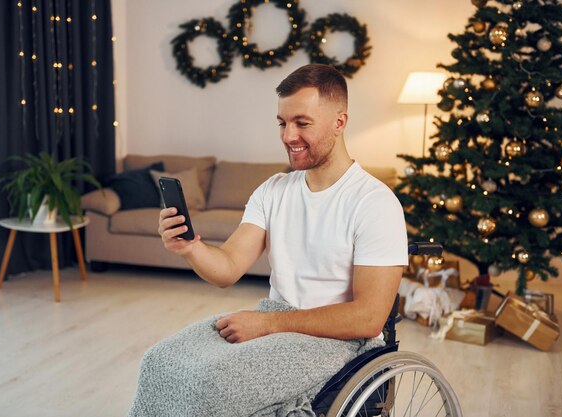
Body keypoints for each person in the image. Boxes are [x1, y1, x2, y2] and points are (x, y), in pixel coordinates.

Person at [158, 63, 408, 345]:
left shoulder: (375, 203)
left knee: (213, 381)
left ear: (339, 122)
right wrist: (190, 248)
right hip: (278, 329)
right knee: (161, 359)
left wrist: (268, 323)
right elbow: (227, 268)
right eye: (282, 123)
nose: (288, 136)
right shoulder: (273, 191)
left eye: (302, 123)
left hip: (338, 344)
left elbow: (368, 317)